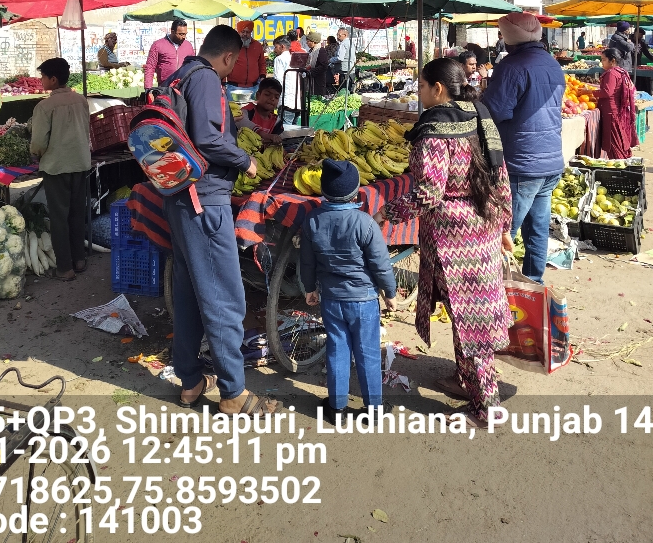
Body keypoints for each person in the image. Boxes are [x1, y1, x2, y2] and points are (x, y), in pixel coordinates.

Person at [377, 58, 513, 429]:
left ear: (437, 88)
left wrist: (387, 211)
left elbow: (429, 192)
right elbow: (501, 175)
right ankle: (465, 379)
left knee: (470, 321)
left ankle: (487, 407)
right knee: (468, 314)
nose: (418, 93)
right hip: (483, 227)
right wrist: (504, 225)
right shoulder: (480, 114)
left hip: (454, 240)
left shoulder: (434, 130)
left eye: (421, 86)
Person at [160, 25, 280, 416]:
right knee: (225, 296)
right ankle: (233, 393)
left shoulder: (180, 74)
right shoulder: (208, 79)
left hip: (179, 198)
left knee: (189, 293)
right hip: (204, 202)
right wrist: (245, 160)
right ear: (229, 57)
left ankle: (190, 379)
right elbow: (208, 138)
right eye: (234, 63)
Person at [301, 159, 397, 421]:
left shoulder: (313, 220)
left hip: (331, 300)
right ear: (355, 193)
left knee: (337, 350)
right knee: (367, 353)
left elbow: (307, 261)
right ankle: (374, 409)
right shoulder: (365, 223)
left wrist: (309, 288)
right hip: (363, 301)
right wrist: (390, 293)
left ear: (323, 191)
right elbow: (381, 264)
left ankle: (337, 409)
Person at [482, 11, 565, 284]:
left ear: (508, 39)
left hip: (522, 162)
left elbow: (495, 111)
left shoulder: (512, 66)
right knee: (538, 230)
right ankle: (533, 283)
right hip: (550, 161)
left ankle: (493, 288)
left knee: (506, 231)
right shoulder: (552, 63)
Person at [30, 58, 91, 282]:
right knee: (77, 213)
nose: (41, 80)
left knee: (59, 218)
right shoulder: (81, 100)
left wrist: (35, 154)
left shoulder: (44, 107)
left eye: (43, 76)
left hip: (56, 167)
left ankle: (64, 268)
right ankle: (79, 260)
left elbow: (38, 143)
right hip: (80, 164)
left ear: (53, 79)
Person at [598, 48, 639, 159]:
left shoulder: (611, 73)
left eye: (604, 59)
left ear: (612, 61)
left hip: (610, 112)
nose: (602, 62)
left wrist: (589, 92)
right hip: (616, 111)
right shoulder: (620, 71)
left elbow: (607, 92)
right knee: (618, 140)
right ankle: (622, 162)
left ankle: (620, 164)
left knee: (614, 143)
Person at [144, 19, 195, 90]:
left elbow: (193, 65)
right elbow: (150, 66)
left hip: (184, 87)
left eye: (185, 34)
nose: (184, 37)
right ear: (172, 32)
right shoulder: (158, 45)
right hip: (165, 87)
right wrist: (148, 88)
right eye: (181, 34)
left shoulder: (188, 46)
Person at [225, 21, 266, 99]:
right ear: (238, 32)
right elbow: (225, 64)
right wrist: (223, 83)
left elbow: (262, 63)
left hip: (254, 88)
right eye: (242, 32)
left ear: (251, 33)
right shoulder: (231, 46)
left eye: (248, 32)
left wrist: (262, 76)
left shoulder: (257, 45)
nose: (245, 34)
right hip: (234, 88)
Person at [271, 35, 299, 124]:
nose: (274, 50)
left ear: (282, 47)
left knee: (285, 129)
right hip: (297, 102)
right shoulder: (293, 58)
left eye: (276, 47)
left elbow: (278, 81)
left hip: (285, 102)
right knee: (294, 130)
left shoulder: (279, 59)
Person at [305, 31, 330, 96]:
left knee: (317, 96)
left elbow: (324, 66)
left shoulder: (321, 51)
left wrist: (311, 71)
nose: (307, 43)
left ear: (314, 41)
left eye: (308, 41)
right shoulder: (311, 51)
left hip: (318, 79)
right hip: (312, 78)